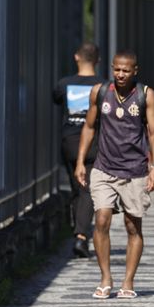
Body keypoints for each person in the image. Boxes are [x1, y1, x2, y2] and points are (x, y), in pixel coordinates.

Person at [75, 50, 154, 300]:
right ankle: (105, 278)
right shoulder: (100, 92)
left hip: (134, 171)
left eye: (126, 70)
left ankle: (128, 281)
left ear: (135, 71)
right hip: (104, 167)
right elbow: (89, 127)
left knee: (132, 226)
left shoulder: (146, 95)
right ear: (112, 68)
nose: (121, 74)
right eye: (117, 69)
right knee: (101, 219)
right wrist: (81, 161)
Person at [52, 42, 102, 258]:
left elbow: (55, 99)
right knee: (87, 189)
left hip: (70, 142)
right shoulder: (103, 85)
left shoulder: (64, 84)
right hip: (94, 141)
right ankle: (81, 235)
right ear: (98, 61)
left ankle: (79, 233)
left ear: (76, 57)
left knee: (78, 188)